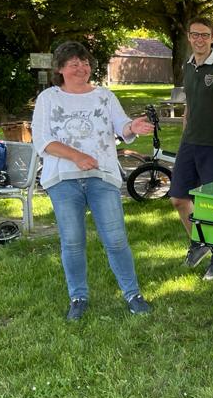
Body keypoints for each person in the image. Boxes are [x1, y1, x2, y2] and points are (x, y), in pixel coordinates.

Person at [31, 41, 156, 321]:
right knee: (73, 241)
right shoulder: (49, 98)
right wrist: (76, 156)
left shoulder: (104, 96)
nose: (81, 67)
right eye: (74, 63)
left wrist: (131, 127)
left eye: (85, 62)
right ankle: (78, 297)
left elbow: (121, 126)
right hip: (63, 179)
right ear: (60, 69)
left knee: (115, 238)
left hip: (102, 175)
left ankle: (133, 294)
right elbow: (43, 141)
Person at [169, 16, 213, 281]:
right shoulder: (188, 66)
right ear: (189, 36)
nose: (199, 39)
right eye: (195, 35)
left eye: (205, 35)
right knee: (178, 198)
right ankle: (199, 242)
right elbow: (190, 101)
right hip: (190, 142)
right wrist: (186, 125)